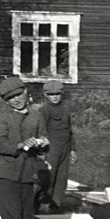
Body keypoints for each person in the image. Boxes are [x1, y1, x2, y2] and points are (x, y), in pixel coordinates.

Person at [0, 77, 49, 219]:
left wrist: (42, 143)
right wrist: (21, 145)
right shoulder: (1, 115)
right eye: (10, 98)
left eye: (18, 95)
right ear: (6, 101)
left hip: (27, 174)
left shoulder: (36, 115)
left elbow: (44, 137)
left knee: (26, 218)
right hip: (6, 173)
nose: (16, 100)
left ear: (25, 92)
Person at [37, 79, 75, 212]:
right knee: (49, 176)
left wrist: (72, 150)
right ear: (46, 95)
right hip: (51, 147)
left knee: (62, 177)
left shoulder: (65, 110)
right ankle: (42, 202)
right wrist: (42, 150)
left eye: (57, 94)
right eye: (51, 94)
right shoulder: (44, 110)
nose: (55, 97)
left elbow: (69, 131)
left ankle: (56, 203)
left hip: (64, 146)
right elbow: (41, 130)